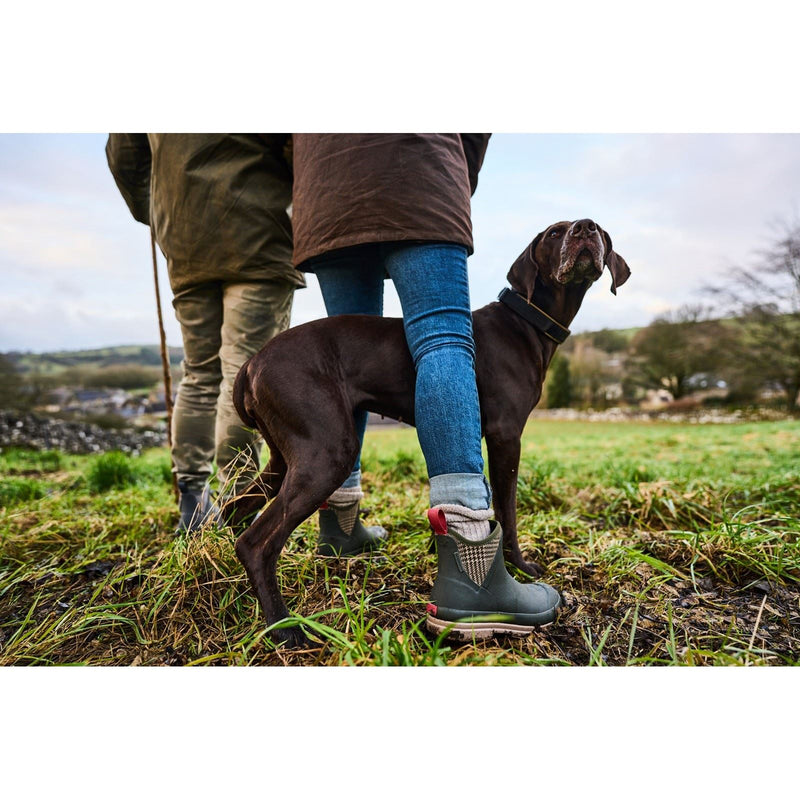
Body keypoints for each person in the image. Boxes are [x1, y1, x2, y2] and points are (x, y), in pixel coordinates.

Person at [291, 134, 561, 635]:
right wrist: (456, 177)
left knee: (349, 366)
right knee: (442, 340)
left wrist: (311, 174)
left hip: (327, 194)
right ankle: (471, 568)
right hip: (417, 177)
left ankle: (342, 525)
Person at [106, 134, 305, 535]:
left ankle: (193, 499)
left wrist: (163, 210)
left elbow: (124, 157)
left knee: (198, 373)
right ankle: (238, 505)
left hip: (184, 236)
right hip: (258, 228)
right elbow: (295, 147)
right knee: (245, 376)